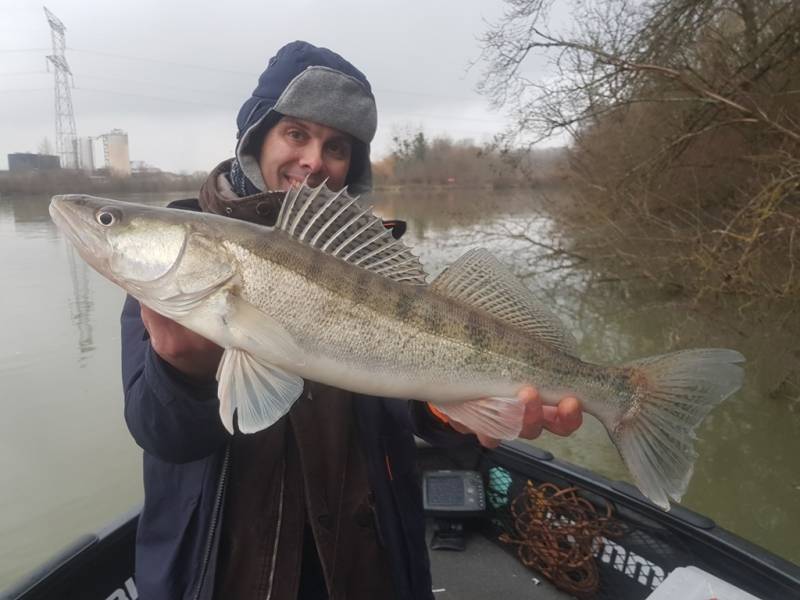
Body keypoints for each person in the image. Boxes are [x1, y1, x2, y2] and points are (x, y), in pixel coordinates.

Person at [121, 40, 583, 600]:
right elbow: (160, 433)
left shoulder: (373, 264)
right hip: (227, 574)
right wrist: (184, 373)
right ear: (257, 136)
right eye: (296, 134)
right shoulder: (185, 264)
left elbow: (411, 396)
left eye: (336, 145)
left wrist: (456, 416)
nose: (314, 160)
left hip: (366, 565)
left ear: (352, 165)